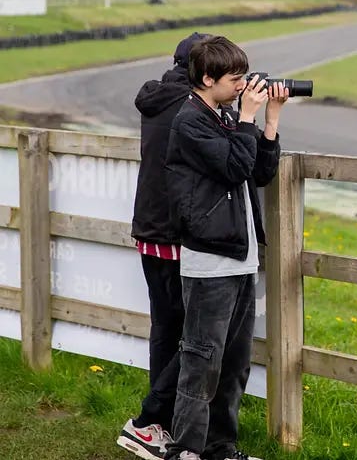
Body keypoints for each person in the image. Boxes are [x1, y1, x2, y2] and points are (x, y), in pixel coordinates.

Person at [163, 35, 287, 460]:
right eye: (235, 79)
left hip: (239, 256)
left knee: (234, 364)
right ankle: (185, 450)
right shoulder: (191, 121)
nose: (242, 85)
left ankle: (221, 448)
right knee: (201, 363)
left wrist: (269, 121)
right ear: (207, 78)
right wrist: (247, 119)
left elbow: (260, 172)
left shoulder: (224, 115)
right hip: (210, 260)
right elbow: (235, 166)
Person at [118, 32, 209, 460]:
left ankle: (160, 422)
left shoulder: (158, 100)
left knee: (165, 329)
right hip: (174, 231)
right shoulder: (188, 107)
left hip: (150, 228)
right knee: (193, 334)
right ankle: (148, 418)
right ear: (200, 71)